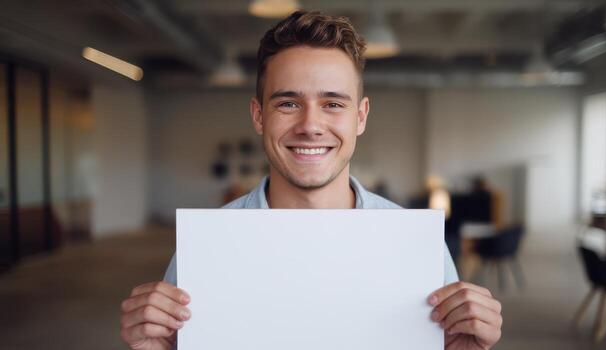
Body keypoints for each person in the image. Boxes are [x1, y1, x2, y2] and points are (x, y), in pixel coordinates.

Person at [119, 11, 503, 350]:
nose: (310, 126)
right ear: (258, 115)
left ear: (361, 116)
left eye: (333, 104)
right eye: (288, 103)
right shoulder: (202, 253)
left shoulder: (420, 250)